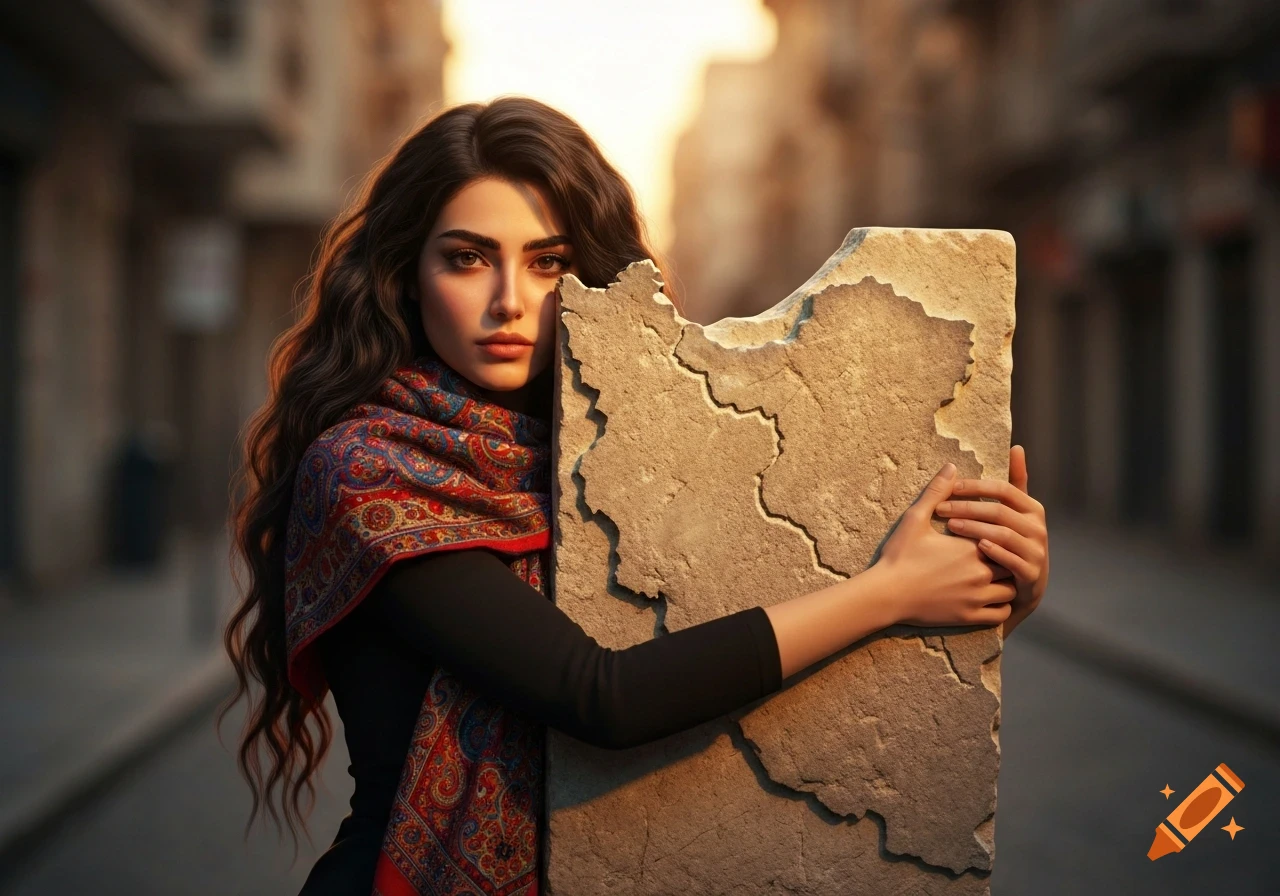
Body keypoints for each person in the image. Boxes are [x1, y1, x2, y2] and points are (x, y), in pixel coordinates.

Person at [220, 96, 1051, 896]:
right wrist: (890, 591)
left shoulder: (608, 463)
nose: (509, 301)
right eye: (467, 258)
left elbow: (731, 668)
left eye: (548, 263)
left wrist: (984, 590)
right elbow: (606, 694)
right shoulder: (368, 469)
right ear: (407, 275)